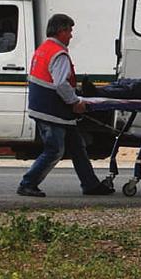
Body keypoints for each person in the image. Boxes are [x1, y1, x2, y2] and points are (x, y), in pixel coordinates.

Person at [17, 14, 114, 197]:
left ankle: (90, 185)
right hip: (52, 111)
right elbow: (61, 83)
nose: (70, 35)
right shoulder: (59, 54)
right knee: (54, 150)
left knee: (77, 148)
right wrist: (75, 102)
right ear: (61, 31)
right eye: (69, 31)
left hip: (46, 108)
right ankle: (27, 183)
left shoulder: (44, 49)